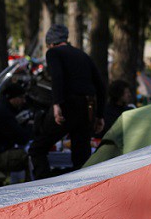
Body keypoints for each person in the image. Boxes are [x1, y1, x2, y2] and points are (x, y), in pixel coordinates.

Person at [29, 24, 106, 179]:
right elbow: (100, 86)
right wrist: (100, 115)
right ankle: (83, 189)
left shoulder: (53, 53)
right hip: (88, 108)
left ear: (50, 43)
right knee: (81, 154)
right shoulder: (83, 55)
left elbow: (58, 78)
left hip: (68, 106)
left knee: (38, 148)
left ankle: (43, 189)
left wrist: (57, 104)